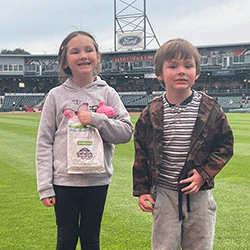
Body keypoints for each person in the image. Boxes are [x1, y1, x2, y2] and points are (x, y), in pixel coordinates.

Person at [133, 38, 234, 250]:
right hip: (165, 193)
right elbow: (141, 151)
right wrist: (142, 189)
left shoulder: (210, 108)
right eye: (173, 66)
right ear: (159, 74)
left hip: (199, 194)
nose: (181, 71)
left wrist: (204, 174)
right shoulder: (151, 112)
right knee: (164, 246)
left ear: (196, 73)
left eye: (188, 66)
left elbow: (225, 145)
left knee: (200, 246)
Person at [36, 31, 133, 250]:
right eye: (75, 51)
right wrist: (45, 187)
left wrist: (97, 119)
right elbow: (44, 142)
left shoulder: (108, 93)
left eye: (89, 50)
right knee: (66, 240)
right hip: (64, 182)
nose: (83, 55)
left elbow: (126, 132)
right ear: (65, 61)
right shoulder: (55, 95)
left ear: (98, 56)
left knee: (91, 240)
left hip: (97, 181)